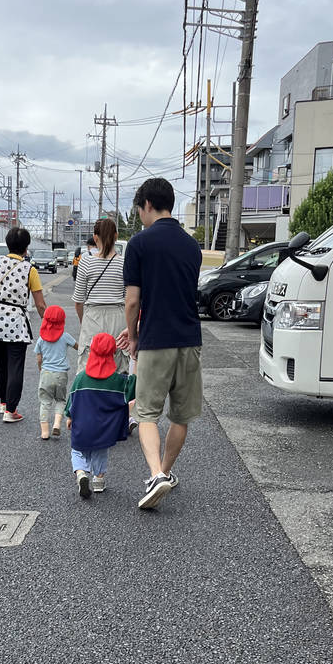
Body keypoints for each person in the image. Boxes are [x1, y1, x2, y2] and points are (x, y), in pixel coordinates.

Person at [122, 177, 202, 510]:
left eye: (140, 208)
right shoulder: (192, 246)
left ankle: (156, 474)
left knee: (147, 414)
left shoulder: (139, 244)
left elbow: (131, 301)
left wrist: (134, 335)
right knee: (181, 416)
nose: (140, 214)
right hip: (189, 340)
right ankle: (165, 474)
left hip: (155, 341)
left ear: (148, 205)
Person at [0, 226, 47, 422]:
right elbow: (40, 304)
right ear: (26, 247)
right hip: (16, 322)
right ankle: (11, 411)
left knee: (0, 363)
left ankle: (3, 402)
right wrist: (49, 325)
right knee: (15, 366)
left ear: (7, 244)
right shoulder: (30, 270)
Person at [65, 331, 136, 499]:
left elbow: (72, 401)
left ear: (91, 352)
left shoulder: (81, 378)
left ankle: (82, 473)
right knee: (100, 451)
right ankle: (98, 481)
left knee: (77, 451)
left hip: (81, 426)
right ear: (113, 353)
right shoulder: (117, 380)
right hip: (104, 428)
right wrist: (135, 355)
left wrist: (69, 417)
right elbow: (134, 385)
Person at [72, 218, 128, 374]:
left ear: (95, 237)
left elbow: (78, 301)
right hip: (118, 317)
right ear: (116, 236)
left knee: (89, 368)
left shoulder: (85, 262)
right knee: (118, 368)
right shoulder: (124, 263)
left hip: (92, 317)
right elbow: (128, 298)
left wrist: (85, 321)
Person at [34, 304, 77, 439]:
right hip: (61, 374)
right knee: (60, 400)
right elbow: (78, 347)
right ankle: (57, 424)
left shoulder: (41, 339)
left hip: (46, 373)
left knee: (45, 402)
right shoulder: (65, 337)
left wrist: (41, 369)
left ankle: (44, 432)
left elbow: (39, 359)